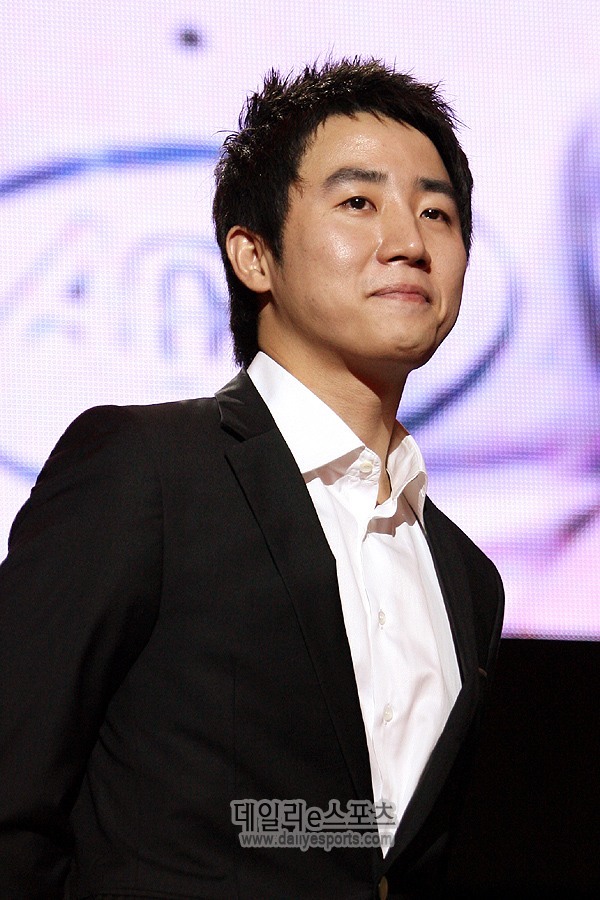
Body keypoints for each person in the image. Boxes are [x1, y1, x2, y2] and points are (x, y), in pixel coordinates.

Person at [0, 59, 504, 899]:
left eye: (436, 212)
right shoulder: (146, 469)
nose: (409, 242)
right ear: (254, 255)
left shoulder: (468, 579)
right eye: (358, 202)